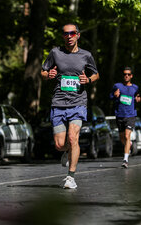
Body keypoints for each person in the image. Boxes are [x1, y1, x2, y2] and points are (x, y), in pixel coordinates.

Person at [41, 23, 99, 189]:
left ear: (78, 35)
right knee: (60, 145)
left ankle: (70, 177)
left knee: (73, 137)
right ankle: (67, 151)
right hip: (58, 103)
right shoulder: (55, 53)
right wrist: (48, 75)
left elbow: (96, 74)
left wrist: (87, 80)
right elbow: (43, 71)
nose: (69, 36)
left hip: (78, 102)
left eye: (72, 33)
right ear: (63, 36)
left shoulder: (86, 55)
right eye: (66, 34)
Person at [110, 67, 141, 168]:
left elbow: (138, 96)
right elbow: (110, 96)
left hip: (131, 115)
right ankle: (129, 144)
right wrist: (114, 95)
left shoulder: (135, 87)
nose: (126, 76)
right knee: (122, 138)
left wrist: (138, 99)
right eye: (124, 74)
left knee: (127, 136)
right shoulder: (117, 86)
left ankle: (125, 159)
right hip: (120, 114)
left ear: (131, 76)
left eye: (128, 74)